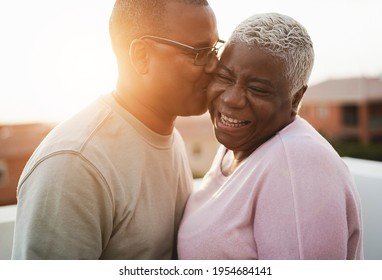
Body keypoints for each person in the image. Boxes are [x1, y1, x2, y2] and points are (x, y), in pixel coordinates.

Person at [12, 0, 222, 259]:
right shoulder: (75, 164)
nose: (214, 65)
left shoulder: (171, 138)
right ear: (141, 56)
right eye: (198, 52)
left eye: (214, 49)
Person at [178, 12, 364, 260]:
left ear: (296, 98)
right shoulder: (239, 144)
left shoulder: (300, 163)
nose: (231, 98)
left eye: (257, 89)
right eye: (224, 76)